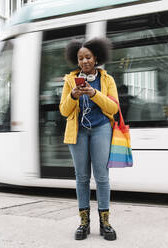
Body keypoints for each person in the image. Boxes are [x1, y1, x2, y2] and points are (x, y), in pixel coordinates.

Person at [59, 38, 119, 241]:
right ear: (77, 61)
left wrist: (94, 93)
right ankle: (84, 223)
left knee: (102, 177)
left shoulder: (107, 80)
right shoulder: (70, 80)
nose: (84, 61)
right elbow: (64, 111)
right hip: (78, 132)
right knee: (82, 177)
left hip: (101, 129)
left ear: (96, 58)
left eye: (88, 57)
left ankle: (105, 223)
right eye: (80, 58)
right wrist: (73, 96)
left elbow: (113, 108)